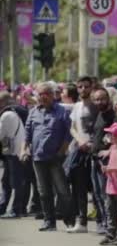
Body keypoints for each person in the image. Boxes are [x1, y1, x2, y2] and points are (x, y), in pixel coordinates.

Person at [22, 82, 72, 232]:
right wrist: (24, 150)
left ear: (52, 95)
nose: (43, 97)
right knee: (43, 192)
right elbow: (27, 133)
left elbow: (68, 134)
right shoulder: (33, 112)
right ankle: (49, 221)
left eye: (46, 94)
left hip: (56, 158)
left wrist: (61, 152)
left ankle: (70, 220)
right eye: (40, 94)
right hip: (38, 157)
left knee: (62, 190)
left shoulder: (62, 111)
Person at [67, 76, 101, 234]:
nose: (82, 90)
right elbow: (72, 127)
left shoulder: (97, 105)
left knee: (97, 189)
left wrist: (92, 143)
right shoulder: (76, 106)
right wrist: (80, 140)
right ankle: (82, 222)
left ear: (92, 87)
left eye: (86, 87)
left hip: (95, 151)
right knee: (79, 188)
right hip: (79, 150)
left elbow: (101, 128)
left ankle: (102, 222)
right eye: (80, 87)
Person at [91, 88, 117, 244]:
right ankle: (106, 226)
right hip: (95, 160)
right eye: (96, 99)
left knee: (109, 199)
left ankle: (111, 231)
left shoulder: (114, 116)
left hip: (107, 162)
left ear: (108, 98)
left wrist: (108, 153)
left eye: (102, 99)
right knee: (99, 196)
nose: (99, 102)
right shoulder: (99, 114)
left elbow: (116, 138)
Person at [0, 91, 27, 218]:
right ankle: (3, 207)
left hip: (14, 153)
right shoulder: (13, 113)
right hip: (14, 152)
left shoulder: (6, 115)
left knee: (15, 183)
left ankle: (16, 210)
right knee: (7, 181)